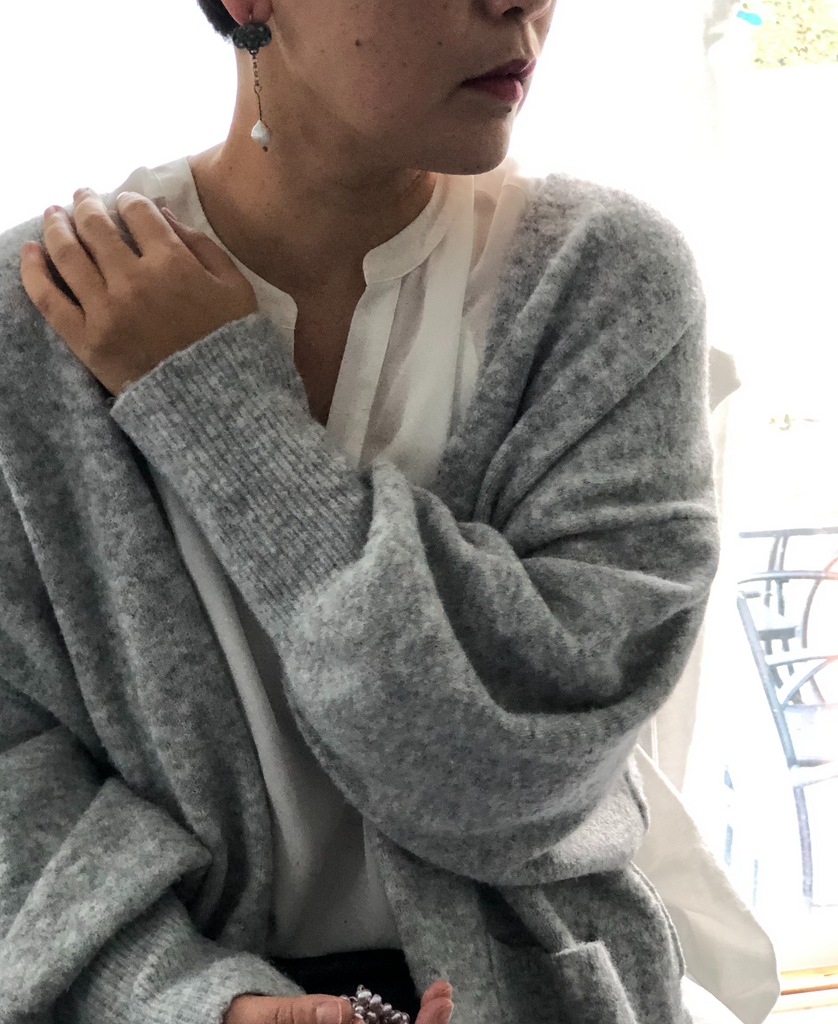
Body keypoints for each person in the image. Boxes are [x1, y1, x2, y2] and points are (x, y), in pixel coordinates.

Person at [0, 1, 729, 1023]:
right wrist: (184, 1002)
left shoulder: (600, 281)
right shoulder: (36, 317)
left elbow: (520, 767)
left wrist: (215, 404)